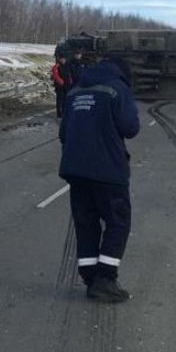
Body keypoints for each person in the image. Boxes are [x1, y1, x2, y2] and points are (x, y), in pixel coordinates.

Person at [59, 57, 141, 303]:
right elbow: (131, 127)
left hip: (75, 169)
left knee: (86, 223)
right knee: (118, 222)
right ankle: (105, 278)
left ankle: (90, 277)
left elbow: (63, 133)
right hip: (108, 171)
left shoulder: (74, 91)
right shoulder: (117, 88)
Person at [51, 52, 69, 118]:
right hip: (59, 86)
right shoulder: (57, 66)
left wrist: (69, 82)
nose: (63, 60)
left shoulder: (67, 66)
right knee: (59, 100)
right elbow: (56, 75)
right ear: (60, 59)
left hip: (66, 85)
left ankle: (64, 112)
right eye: (62, 59)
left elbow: (69, 75)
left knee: (65, 99)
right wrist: (61, 82)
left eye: (64, 59)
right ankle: (59, 113)